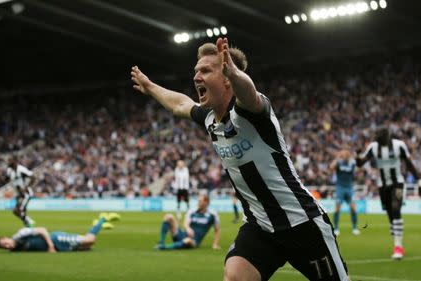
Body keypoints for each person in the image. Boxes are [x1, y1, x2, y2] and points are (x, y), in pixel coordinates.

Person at [131, 37, 350, 280]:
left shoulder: (251, 112)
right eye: (196, 71)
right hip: (260, 227)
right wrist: (150, 86)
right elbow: (180, 104)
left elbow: (249, 93)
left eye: (206, 70)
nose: (196, 77)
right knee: (235, 277)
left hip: (302, 223)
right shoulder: (209, 118)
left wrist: (235, 73)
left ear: (226, 77)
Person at [357, 127, 421, 260]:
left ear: (386, 137)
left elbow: (409, 163)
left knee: (395, 208)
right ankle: (396, 235)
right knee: (390, 213)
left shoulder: (399, 146)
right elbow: (360, 163)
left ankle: (398, 247)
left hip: (397, 183)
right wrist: (357, 155)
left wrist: (419, 180)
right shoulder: (374, 147)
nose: (377, 139)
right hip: (383, 185)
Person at [0, 213, 119, 252]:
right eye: (5, 246)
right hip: (58, 247)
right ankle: (97, 224)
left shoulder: (20, 235)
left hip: (56, 239)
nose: (8, 245)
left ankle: (102, 219)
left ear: (7, 237)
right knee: (88, 246)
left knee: (90, 240)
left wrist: (51, 246)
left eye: (6, 242)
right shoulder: (15, 250)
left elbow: (42, 230)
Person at [156, 194, 220, 250]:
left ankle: (165, 247)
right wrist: (188, 228)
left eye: (200, 201)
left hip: (194, 241)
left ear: (206, 202)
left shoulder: (213, 214)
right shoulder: (192, 211)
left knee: (188, 241)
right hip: (182, 235)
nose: (198, 202)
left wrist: (215, 244)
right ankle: (161, 242)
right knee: (168, 216)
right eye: (198, 201)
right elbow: (186, 223)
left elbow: (217, 230)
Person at [330, 150, 359, 236]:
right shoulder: (339, 163)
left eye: (347, 154)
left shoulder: (352, 164)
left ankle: (355, 228)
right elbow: (331, 167)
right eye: (344, 154)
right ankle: (336, 228)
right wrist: (337, 158)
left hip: (349, 188)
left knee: (353, 208)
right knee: (337, 208)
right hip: (340, 188)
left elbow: (358, 170)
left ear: (349, 155)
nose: (345, 155)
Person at [6, 156, 36, 227]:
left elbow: (33, 177)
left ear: (15, 161)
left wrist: (26, 187)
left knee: (18, 210)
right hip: (19, 194)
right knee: (16, 212)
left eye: (10, 160)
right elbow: (5, 180)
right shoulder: (9, 170)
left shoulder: (21, 169)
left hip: (26, 194)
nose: (8, 162)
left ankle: (29, 223)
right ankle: (28, 223)